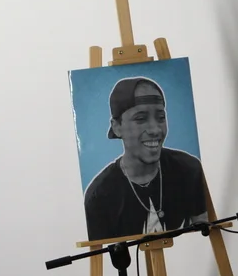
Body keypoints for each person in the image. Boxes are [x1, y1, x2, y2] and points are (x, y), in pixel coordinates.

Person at [83, 76, 209, 242]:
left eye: (161, 117)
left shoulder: (188, 169)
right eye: (140, 119)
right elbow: (103, 254)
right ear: (117, 127)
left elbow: (204, 237)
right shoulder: (99, 196)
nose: (155, 129)